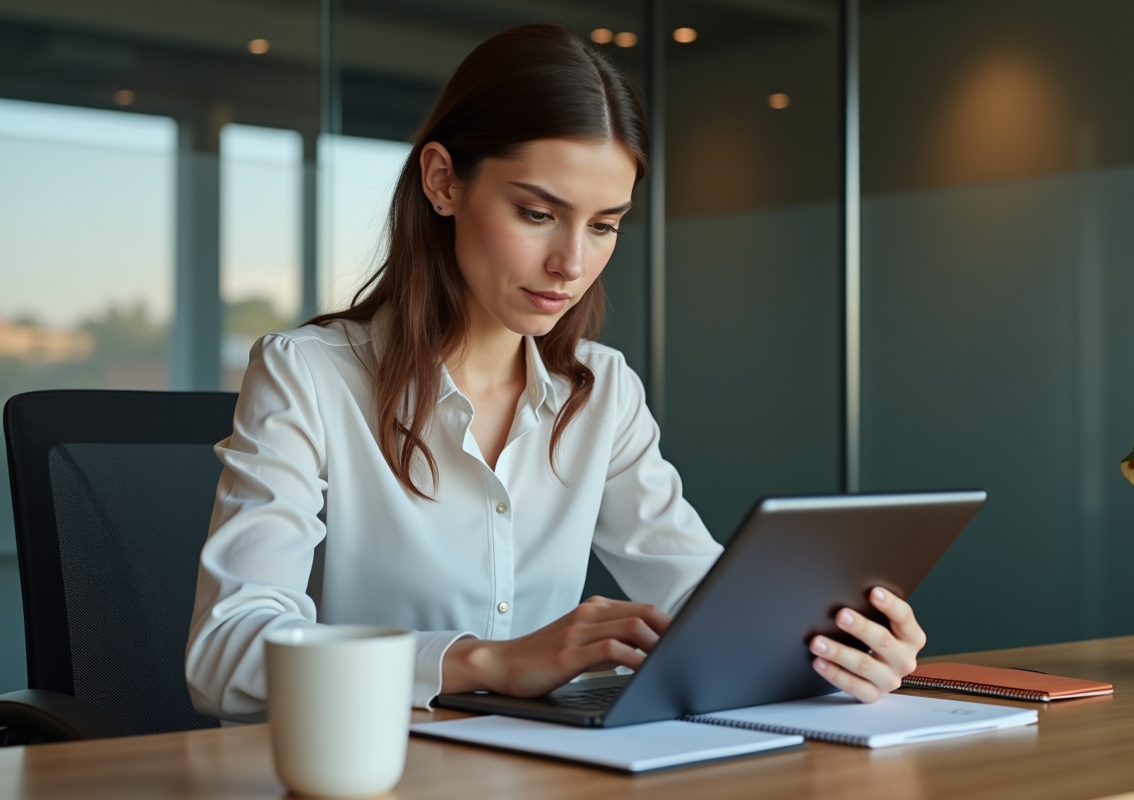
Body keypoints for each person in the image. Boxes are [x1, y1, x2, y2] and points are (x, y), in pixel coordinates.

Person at [185, 23, 926, 721]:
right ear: (443, 182)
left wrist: (839, 645)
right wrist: (483, 662)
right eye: (538, 213)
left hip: (537, 772)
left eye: (604, 225)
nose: (572, 264)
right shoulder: (308, 377)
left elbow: (703, 597)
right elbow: (225, 654)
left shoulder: (600, 393)